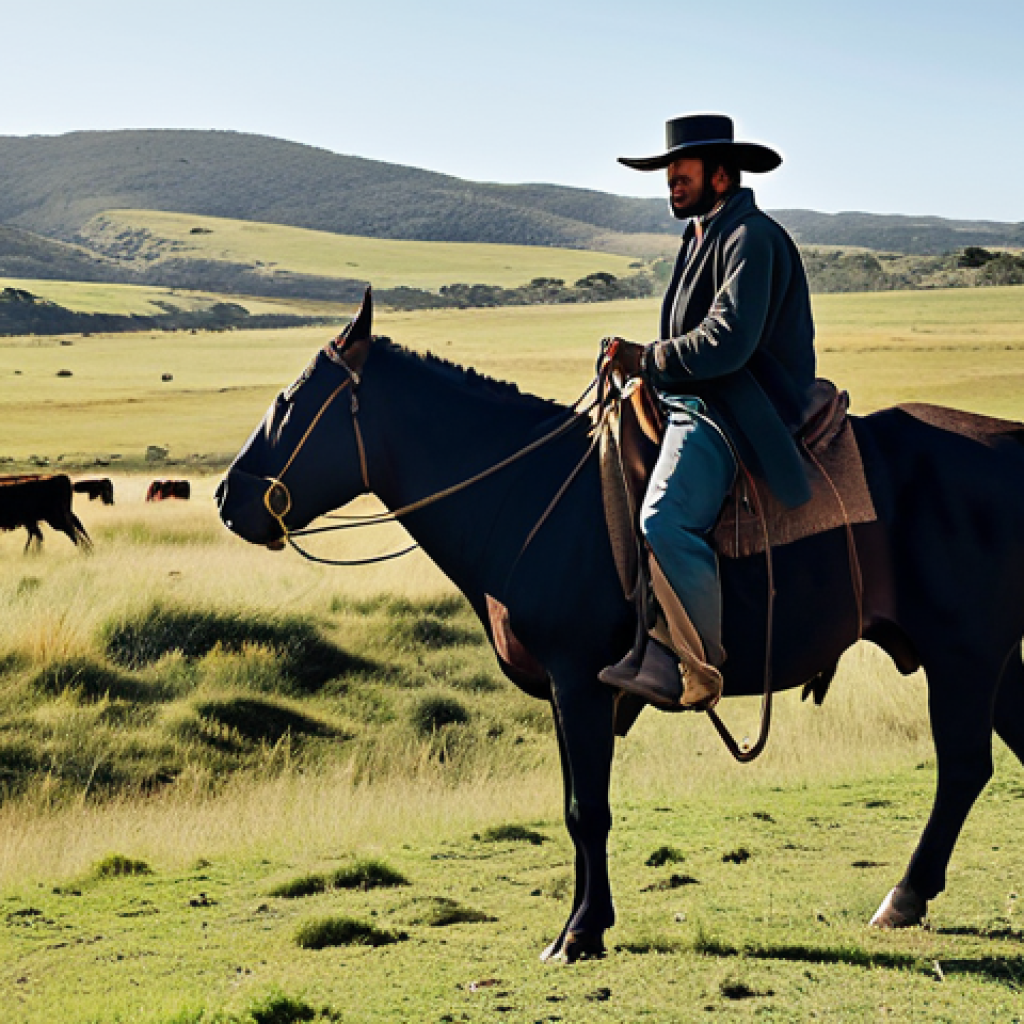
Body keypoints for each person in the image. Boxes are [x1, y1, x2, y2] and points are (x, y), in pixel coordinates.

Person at [598, 113, 817, 712]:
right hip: (697, 392)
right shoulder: (701, 233)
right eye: (668, 170)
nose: (671, 179)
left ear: (720, 175)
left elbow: (726, 341)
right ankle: (649, 634)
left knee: (664, 518)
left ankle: (696, 666)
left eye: (681, 169)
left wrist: (650, 357)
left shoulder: (751, 236)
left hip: (739, 403)